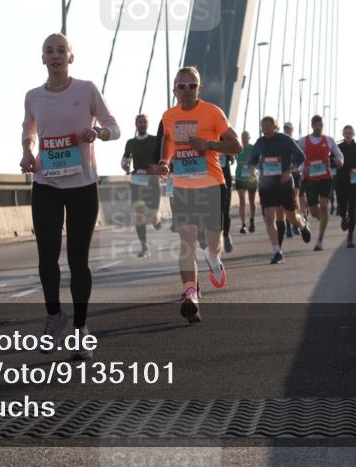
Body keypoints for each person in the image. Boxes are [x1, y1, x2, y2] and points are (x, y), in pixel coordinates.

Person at [21, 33, 119, 360]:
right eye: (49, 50)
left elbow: (114, 126)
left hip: (82, 186)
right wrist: (27, 152)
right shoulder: (33, 96)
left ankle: (80, 328)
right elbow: (29, 131)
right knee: (46, 257)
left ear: (70, 57)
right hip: (46, 183)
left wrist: (98, 132)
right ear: (43, 58)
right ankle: (54, 316)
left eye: (61, 50)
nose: (55, 55)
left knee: (78, 261)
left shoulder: (86, 90)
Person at [157, 67, 241, 324]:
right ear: (174, 89)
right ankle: (190, 294)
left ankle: (213, 258)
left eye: (192, 86)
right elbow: (168, 139)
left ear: (199, 89)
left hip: (212, 184)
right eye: (181, 86)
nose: (187, 90)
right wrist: (164, 161)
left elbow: (236, 145)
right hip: (182, 187)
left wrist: (210, 145)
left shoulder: (213, 112)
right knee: (187, 241)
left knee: (213, 242)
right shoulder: (168, 116)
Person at [249, 116, 310, 263]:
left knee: (291, 217)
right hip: (266, 185)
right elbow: (253, 159)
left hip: (284, 183)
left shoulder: (285, 140)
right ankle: (277, 252)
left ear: (276, 127)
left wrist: (289, 171)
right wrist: (252, 169)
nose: (266, 130)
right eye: (263, 127)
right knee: (269, 218)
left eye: (269, 127)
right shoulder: (260, 142)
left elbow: (301, 157)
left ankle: (302, 225)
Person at [297, 115, 344, 251]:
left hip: (325, 178)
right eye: (316, 125)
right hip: (310, 180)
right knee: (313, 212)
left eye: (320, 125)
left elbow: (339, 155)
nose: (318, 127)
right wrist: (301, 168)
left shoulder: (329, 140)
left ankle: (320, 240)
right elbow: (296, 156)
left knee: (323, 207)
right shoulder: (303, 141)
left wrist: (340, 162)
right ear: (312, 126)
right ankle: (319, 219)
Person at [122, 114, 162, 258]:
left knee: (152, 217)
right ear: (136, 124)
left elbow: (163, 158)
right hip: (137, 182)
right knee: (139, 215)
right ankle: (144, 247)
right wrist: (125, 166)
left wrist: (158, 167)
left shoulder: (155, 140)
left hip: (152, 182)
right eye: (139, 122)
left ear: (148, 124)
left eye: (144, 121)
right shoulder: (130, 143)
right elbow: (125, 159)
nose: (142, 124)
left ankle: (156, 220)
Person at [335, 125, 356, 248]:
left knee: (353, 208)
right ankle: (343, 217)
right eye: (346, 133)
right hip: (341, 179)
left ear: (353, 134)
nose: (348, 135)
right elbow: (331, 161)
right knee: (342, 205)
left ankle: (350, 237)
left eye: (350, 132)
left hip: (355, 179)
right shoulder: (338, 147)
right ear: (343, 134)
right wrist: (335, 162)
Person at [234, 131, 259, 234]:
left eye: (246, 137)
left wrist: (253, 167)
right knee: (242, 201)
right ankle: (243, 224)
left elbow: (257, 161)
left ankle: (252, 219)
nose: (244, 138)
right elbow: (234, 159)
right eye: (242, 136)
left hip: (251, 178)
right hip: (240, 177)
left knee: (252, 201)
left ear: (249, 137)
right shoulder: (237, 148)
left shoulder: (253, 148)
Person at [282, 122, 302, 238]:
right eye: (285, 129)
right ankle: (288, 225)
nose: (286, 131)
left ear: (292, 130)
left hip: (295, 174)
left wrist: (298, 168)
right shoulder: (280, 143)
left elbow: (302, 158)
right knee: (286, 200)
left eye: (288, 129)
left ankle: (295, 224)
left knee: (294, 198)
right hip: (285, 174)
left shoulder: (297, 143)